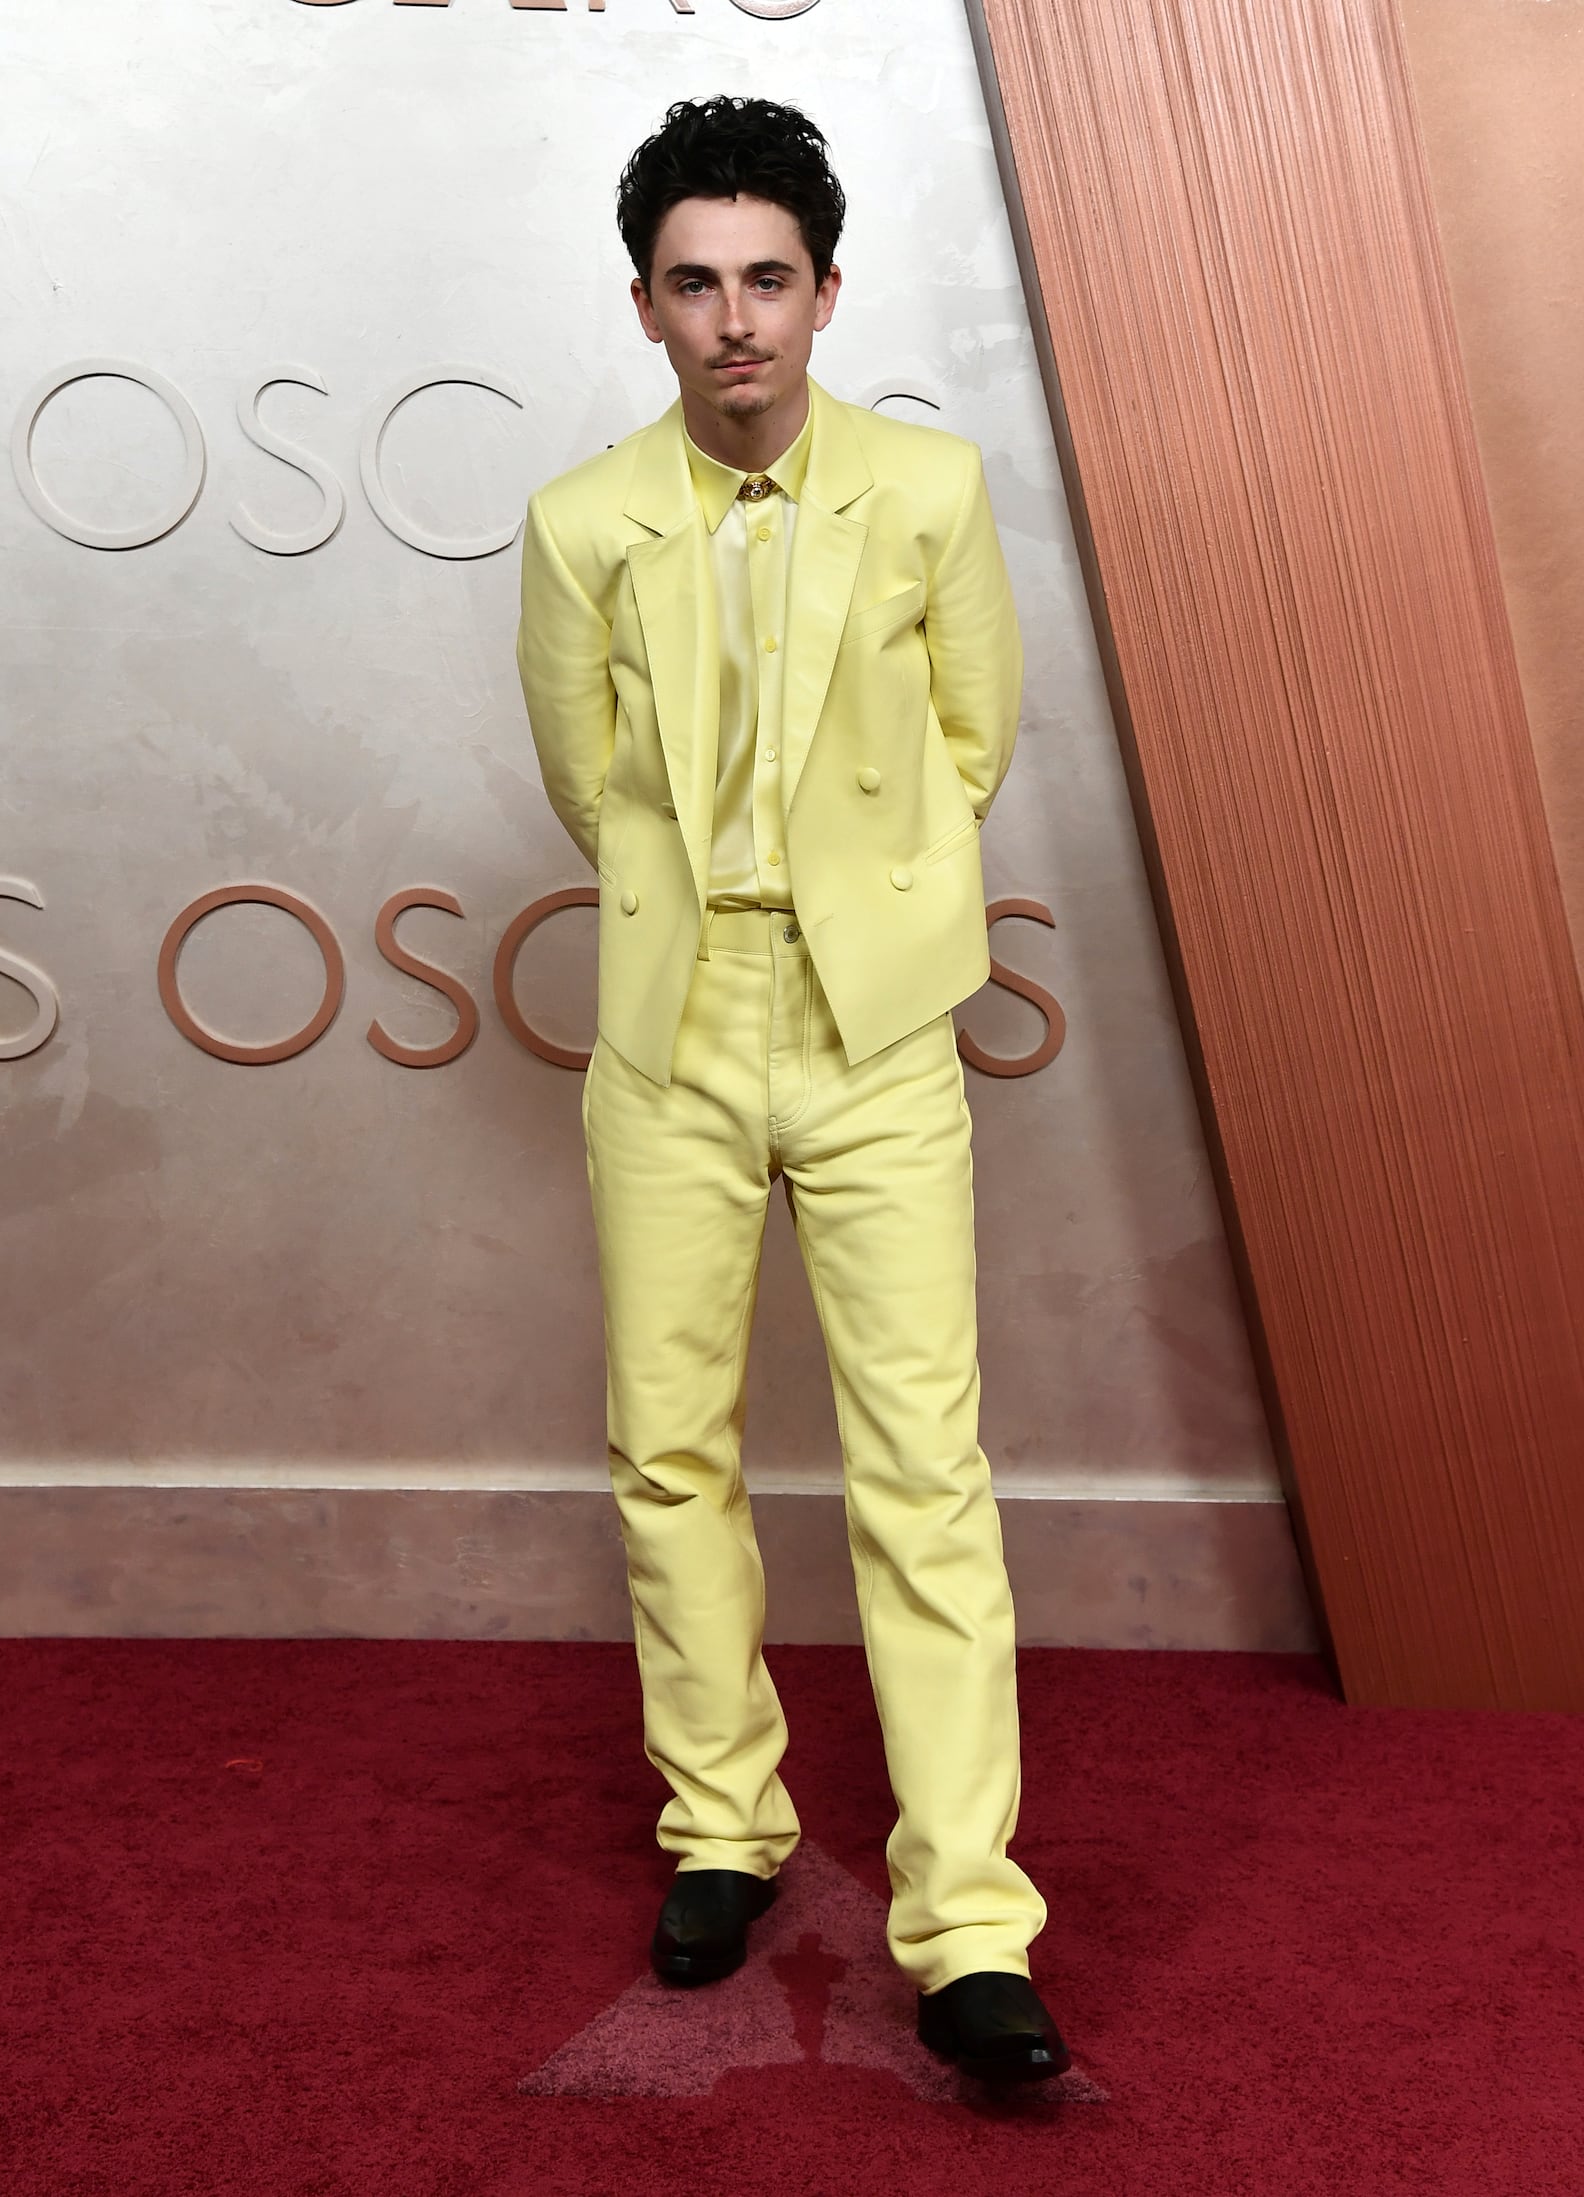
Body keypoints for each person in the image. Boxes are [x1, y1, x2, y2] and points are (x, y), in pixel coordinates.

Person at [515, 93, 1070, 2085]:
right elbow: (586, 778)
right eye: (695, 283)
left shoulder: (923, 493)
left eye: (768, 278)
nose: (734, 318)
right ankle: (721, 1826)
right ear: (647, 308)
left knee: (922, 1464)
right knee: (667, 1447)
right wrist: (714, 915)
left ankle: (967, 1923)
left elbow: (970, 738)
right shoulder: (583, 522)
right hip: (671, 1023)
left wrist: (861, 914)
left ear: (824, 293)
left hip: (869, 1026)